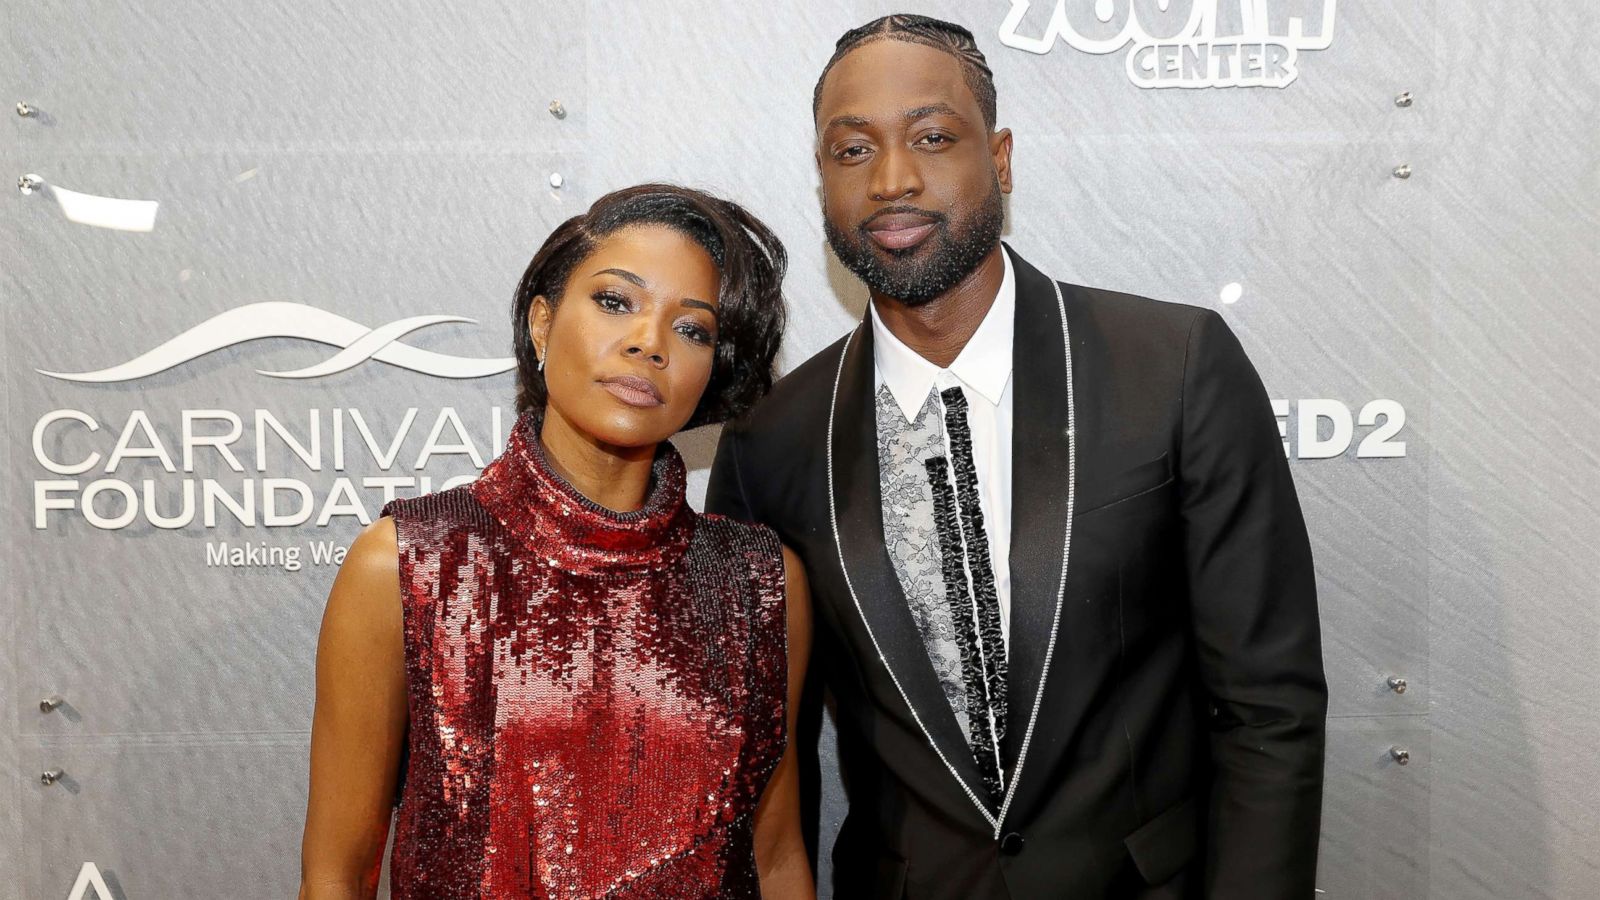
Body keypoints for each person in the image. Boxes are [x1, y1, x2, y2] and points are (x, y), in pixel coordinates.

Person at [706, 14, 1327, 899]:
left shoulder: (1175, 366)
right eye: (852, 151)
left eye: (931, 137)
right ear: (822, 179)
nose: (892, 180)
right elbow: (770, 766)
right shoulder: (771, 442)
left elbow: (1271, 709)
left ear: (999, 158)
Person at [299, 184, 815, 899]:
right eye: (615, 301)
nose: (649, 342)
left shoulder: (760, 583)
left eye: (692, 329)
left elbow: (777, 854)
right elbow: (337, 876)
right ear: (542, 323)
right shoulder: (408, 564)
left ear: (714, 370)